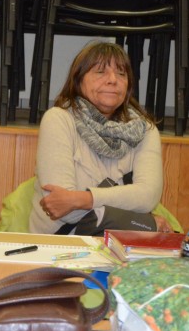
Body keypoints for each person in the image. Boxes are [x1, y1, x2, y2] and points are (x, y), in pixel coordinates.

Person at [29, 40, 171, 236]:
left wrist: (82, 199)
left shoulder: (145, 129)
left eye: (121, 73)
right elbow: (63, 211)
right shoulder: (58, 119)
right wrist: (142, 221)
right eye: (100, 71)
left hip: (124, 242)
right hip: (63, 243)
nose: (113, 79)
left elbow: (148, 197)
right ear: (78, 80)